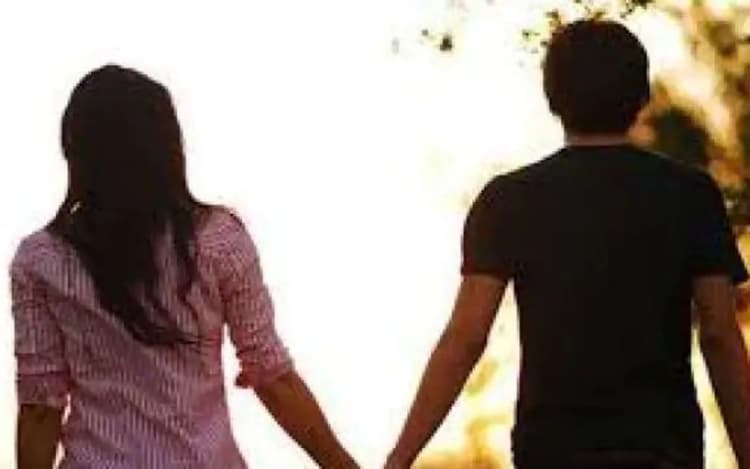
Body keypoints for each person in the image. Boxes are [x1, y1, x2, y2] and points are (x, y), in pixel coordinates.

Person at [386, 19, 750, 469]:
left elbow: (466, 338)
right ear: (641, 97)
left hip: (553, 451)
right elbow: (718, 334)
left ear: (552, 98)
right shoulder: (690, 194)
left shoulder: (509, 200)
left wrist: (400, 457)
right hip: (661, 450)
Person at [11, 65, 357, 469]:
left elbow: (41, 404)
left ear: (74, 152)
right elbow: (272, 375)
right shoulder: (217, 240)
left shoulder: (41, 260)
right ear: (169, 148)